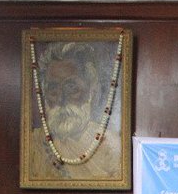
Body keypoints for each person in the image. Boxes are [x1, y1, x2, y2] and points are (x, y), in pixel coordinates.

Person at [28, 41, 122, 181]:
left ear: (92, 91)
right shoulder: (34, 144)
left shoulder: (112, 147)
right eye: (53, 89)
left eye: (71, 87)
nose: (61, 99)